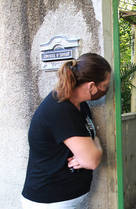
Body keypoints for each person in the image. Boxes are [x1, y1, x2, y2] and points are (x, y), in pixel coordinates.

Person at [21, 53, 111, 209]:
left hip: (68, 198)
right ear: (91, 86)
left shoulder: (80, 105)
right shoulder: (61, 109)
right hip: (51, 201)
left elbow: (89, 146)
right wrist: (95, 148)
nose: (107, 90)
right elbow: (91, 161)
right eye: (105, 86)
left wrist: (92, 147)